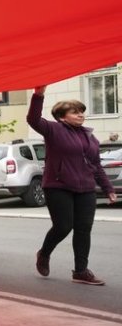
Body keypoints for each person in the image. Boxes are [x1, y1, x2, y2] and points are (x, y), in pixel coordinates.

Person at [28, 86, 117, 285]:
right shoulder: (53, 130)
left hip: (85, 188)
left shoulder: (90, 137)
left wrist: (108, 189)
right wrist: (38, 95)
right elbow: (33, 119)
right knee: (63, 227)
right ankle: (44, 253)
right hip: (58, 186)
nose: (81, 115)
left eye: (82, 112)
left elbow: (96, 166)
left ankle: (81, 271)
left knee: (84, 229)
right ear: (62, 117)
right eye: (75, 112)